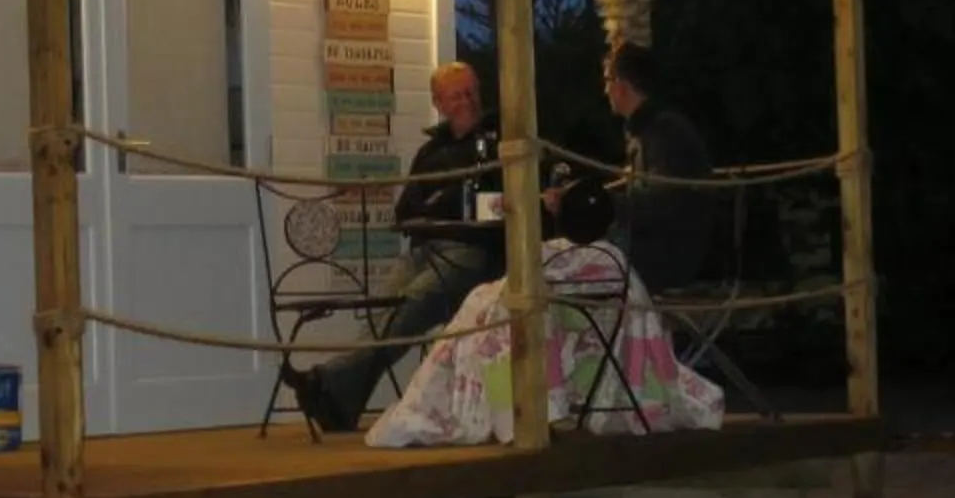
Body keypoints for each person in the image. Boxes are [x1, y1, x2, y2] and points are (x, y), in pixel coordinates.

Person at [290, 61, 504, 433]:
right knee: (383, 306)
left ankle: (329, 382)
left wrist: (438, 203)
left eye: (471, 92)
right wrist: (444, 201)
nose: (467, 101)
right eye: (457, 95)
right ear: (439, 102)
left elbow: (487, 203)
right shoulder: (430, 152)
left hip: (470, 251)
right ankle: (341, 400)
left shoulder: (495, 143)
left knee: (411, 305)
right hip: (423, 248)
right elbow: (405, 209)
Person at [548, 39, 716, 294]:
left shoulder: (664, 132)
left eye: (607, 81)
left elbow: (663, 205)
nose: (605, 90)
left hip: (666, 256)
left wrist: (601, 204)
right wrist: (575, 201)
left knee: (559, 267)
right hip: (653, 246)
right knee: (558, 255)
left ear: (622, 85)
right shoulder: (649, 130)